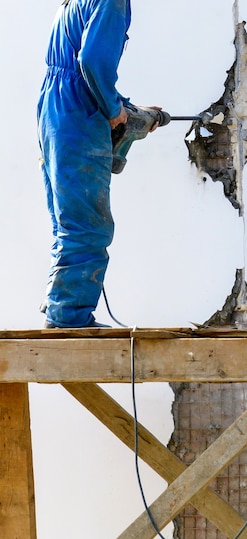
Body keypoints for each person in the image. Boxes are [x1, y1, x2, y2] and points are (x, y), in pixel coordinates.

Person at [38, 0, 134, 328]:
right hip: (79, 112)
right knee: (89, 225)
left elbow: (78, 64)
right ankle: (69, 317)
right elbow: (92, 60)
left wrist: (124, 106)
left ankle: (60, 306)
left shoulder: (72, 2)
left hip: (55, 109)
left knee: (68, 222)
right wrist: (111, 106)